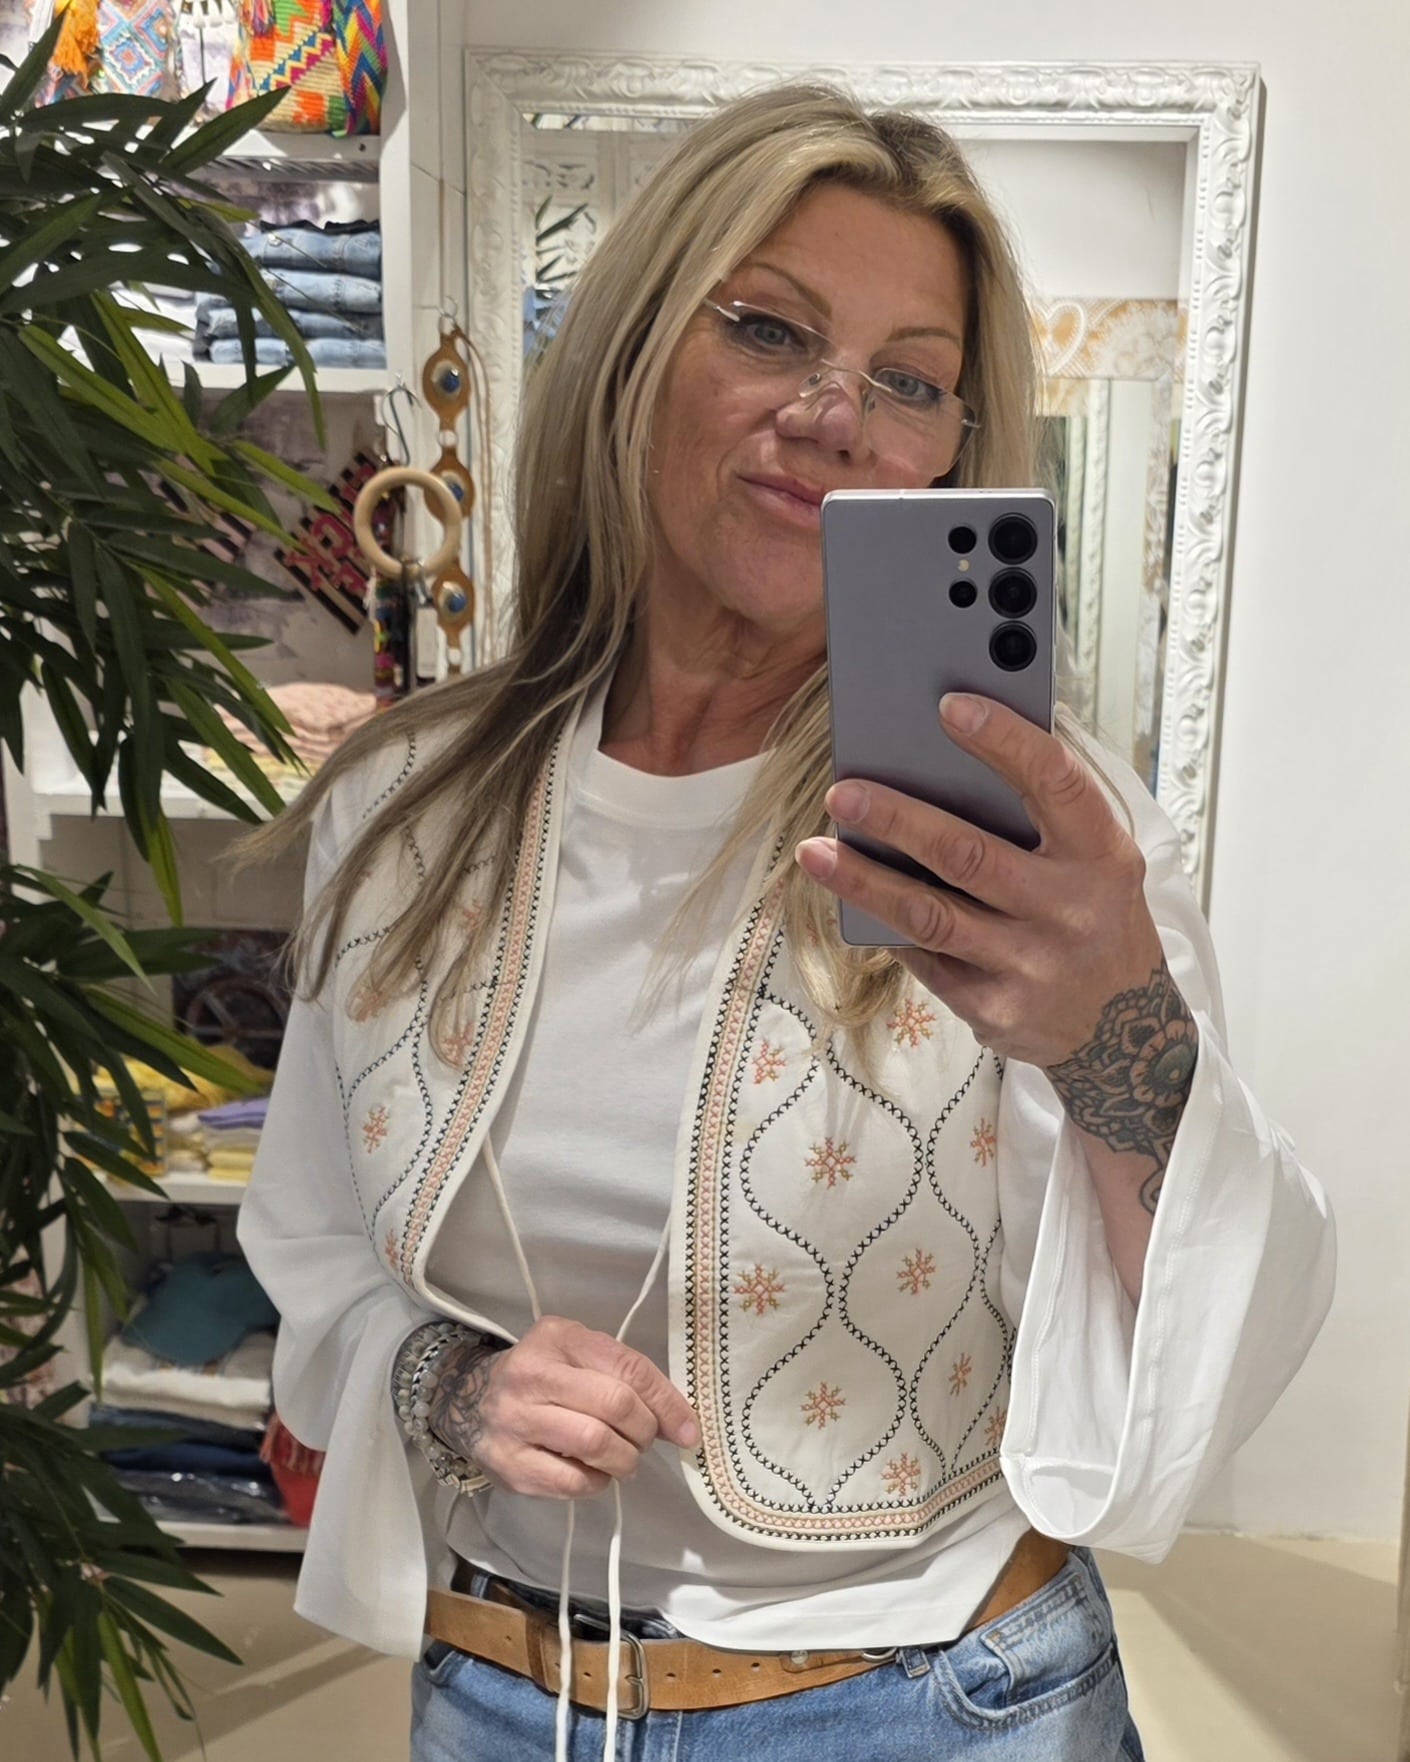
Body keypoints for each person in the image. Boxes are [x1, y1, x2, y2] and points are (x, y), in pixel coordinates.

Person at [238, 84, 1335, 1762]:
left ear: (949, 448)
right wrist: (448, 1384)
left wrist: (1117, 1029)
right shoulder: (411, 809)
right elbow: (315, 1240)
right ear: (630, 350)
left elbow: (1214, 1332)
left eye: (910, 379)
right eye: (768, 329)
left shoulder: (1037, 836)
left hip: (937, 1705)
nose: (834, 417)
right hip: (498, 1697)